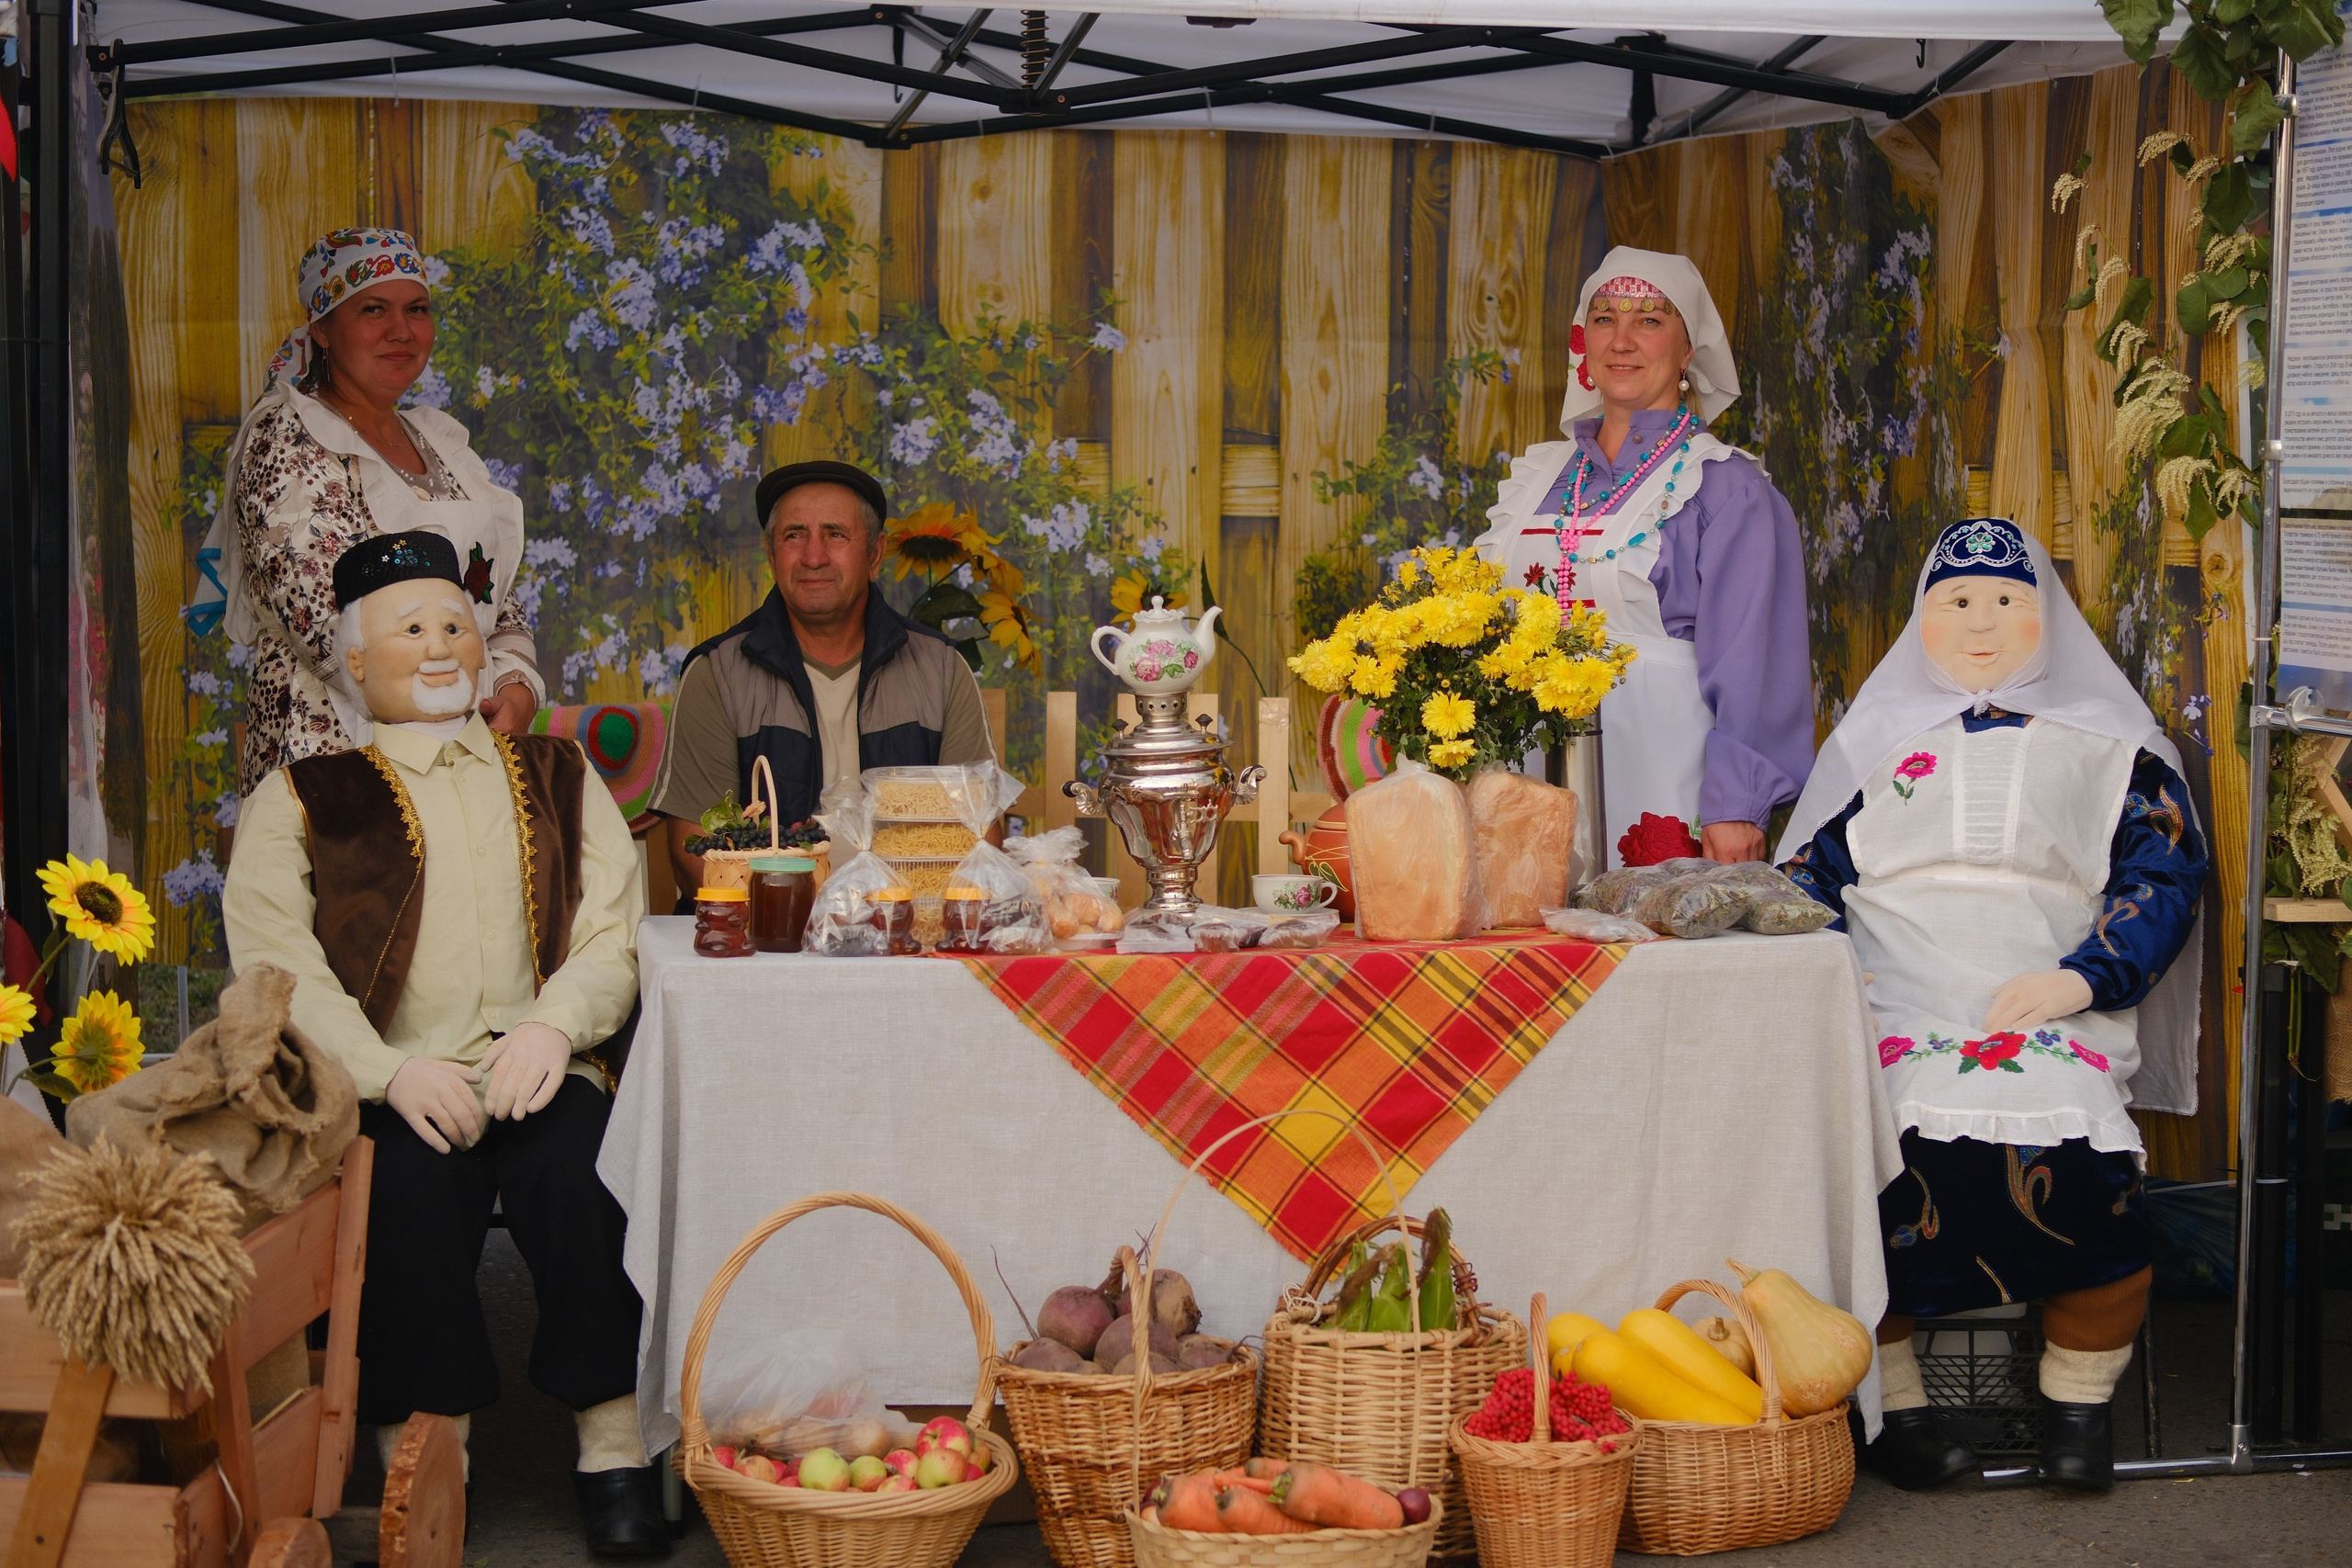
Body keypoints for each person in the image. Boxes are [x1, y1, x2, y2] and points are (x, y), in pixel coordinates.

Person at [221, 533, 664, 1557]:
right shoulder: (299, 798)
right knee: (404, 1208)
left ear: (484, 651)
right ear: (356, 662)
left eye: (455, 627)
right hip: (398, 1076)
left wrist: (557, 1028)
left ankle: (613, 1447)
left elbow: (613, 924)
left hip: (539, 1060)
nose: (437, 647)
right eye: (409, 630)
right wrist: (387, 1071)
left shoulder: (558, 773)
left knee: (589, 1179)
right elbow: (274, 967)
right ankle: (431, 1460)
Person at [1776, 516, 2208, 1494]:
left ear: (2047, 621)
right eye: (1957, 602)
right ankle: (1898, 1408)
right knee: (1878, 1156)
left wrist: (2086, 977)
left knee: (2086, 1158)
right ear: (1921, 623)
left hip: (2045, 991)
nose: (1982, 622)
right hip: (1889, 991)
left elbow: (2162, 878)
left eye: (2009, 602)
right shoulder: (1874, 745)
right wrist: (1827, 964)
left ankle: (2076, 1408)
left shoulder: (2113, 750)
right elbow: (1805, 876)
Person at [1475, 246, 1814, 866]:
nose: (1622, 340)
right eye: (1605, 318)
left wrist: (1737, 805)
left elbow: (1754, 663)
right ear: (1584, 343)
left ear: (1688, 352)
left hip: (1664, 793)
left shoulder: (1727, 490)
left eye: (1650, 320)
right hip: (1524, 795)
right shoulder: (1535, 480)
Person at [197, 228, 544, 795]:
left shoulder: (440, 444)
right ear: (323, 330)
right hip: (337, 769)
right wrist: (451, 703)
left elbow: (491, 594)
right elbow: (325, 628)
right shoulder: (287, 442)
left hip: (460, 755)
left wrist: (516, 687)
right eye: (373, 309)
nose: (401, 331)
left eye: (417, 309)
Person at [649, 459, 995, 896]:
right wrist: (812, 923)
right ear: (772, 555)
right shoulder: (717, 673)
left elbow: (980, 842)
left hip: (905, 939)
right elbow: (694, 854)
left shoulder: (940, 668)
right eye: (794, 536)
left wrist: (887, 923)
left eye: (835, 534)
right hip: (766, 945)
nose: (814, 557)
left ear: (874, 554)